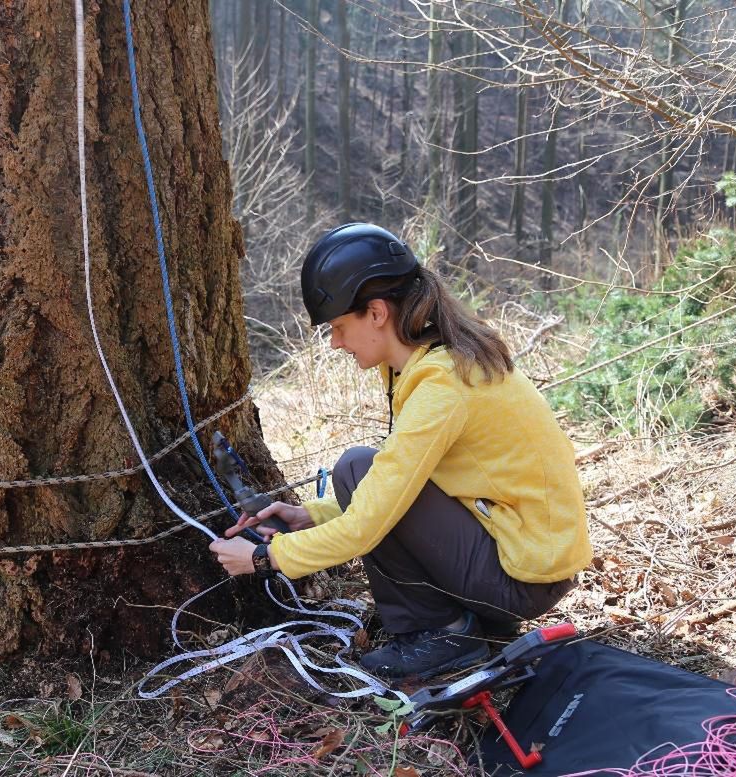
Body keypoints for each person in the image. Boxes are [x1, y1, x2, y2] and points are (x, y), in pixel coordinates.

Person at [209, 223, 592, 679]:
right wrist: (310, 515)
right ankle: (465, 624)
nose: (334, 343)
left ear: (375, 313)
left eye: (337, 327)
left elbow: (368, 525)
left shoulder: (443, 386)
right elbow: (399, 480)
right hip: (518, 556)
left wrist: (263, 560)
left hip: (523, 578)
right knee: (357, 469)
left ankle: (446, 633)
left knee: (356, 468)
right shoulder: (439, 361)